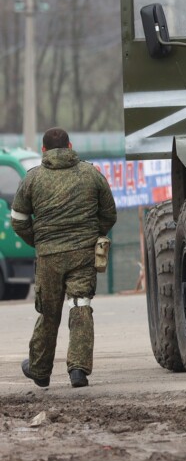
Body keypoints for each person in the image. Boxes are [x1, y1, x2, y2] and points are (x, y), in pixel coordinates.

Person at [9, 127, 117, 388]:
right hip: (83, 254)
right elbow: (109, 214)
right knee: (81, 305)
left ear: (44, 150)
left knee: (48, 312)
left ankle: (40, 369)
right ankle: (78, 370)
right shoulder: (92, 174)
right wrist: (93, 235)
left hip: (48, 256)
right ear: (69, 147)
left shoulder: (32, 178)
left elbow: (18, 219)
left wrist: (39, 241)